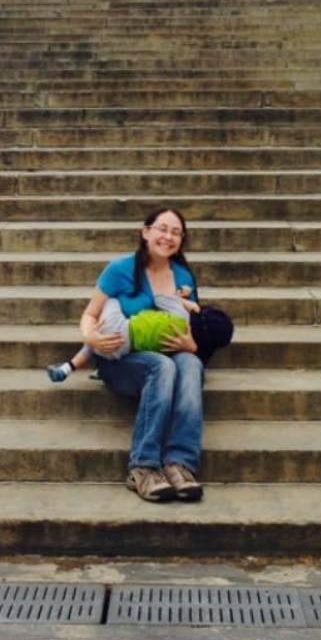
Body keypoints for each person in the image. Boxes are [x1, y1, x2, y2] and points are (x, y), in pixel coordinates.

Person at [78, 207, 206, 503]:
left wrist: (192, 345)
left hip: (168, 357)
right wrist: (91, 336)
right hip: (122, 361)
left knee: (189, 362)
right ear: (146, 231)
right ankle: (144, 467)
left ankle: (180, 462)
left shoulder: (183, 276)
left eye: (176, 232)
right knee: (162, 366)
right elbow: (89, 314)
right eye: (162, 228)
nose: (168, 236)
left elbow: (190, 326)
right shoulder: (120, 269)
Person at [48, 286, 199, 382]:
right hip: (122, 351)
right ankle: (86, 368)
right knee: (96, 344)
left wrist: (180, 299)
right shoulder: (179, 344)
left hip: (118, 329)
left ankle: (66, 369)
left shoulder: (181, 317)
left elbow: (160, 297)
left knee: (110, 300)